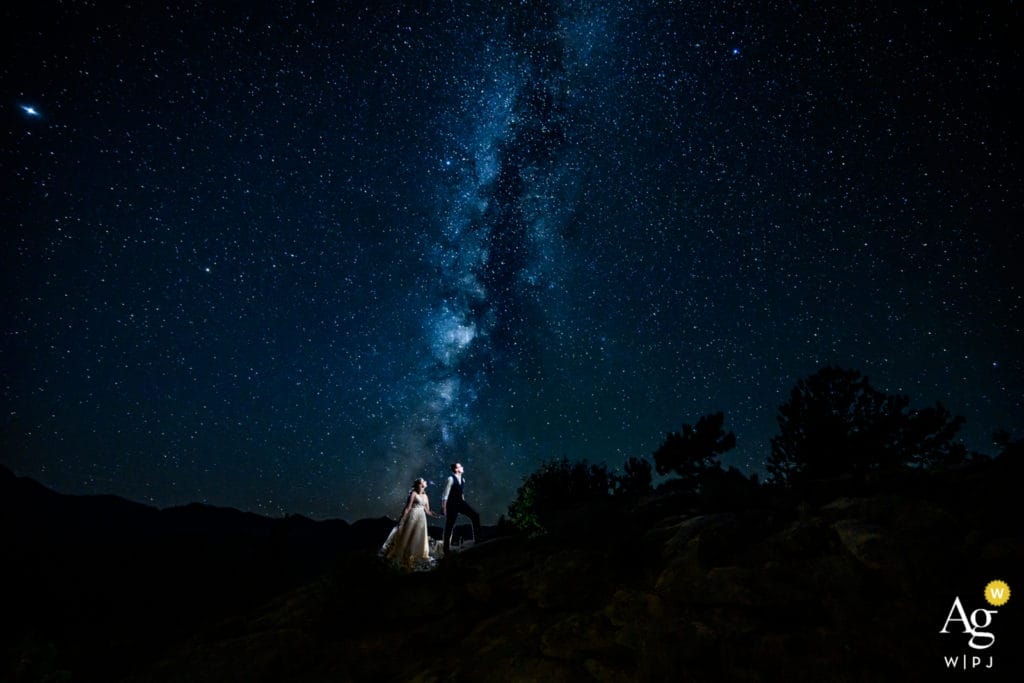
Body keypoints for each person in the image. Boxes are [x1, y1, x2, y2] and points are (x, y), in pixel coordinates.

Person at [381, 478, 440, 569]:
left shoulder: (425, 496)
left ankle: (415, 555)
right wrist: (402, 519)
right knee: (408, 535)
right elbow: (408, 508)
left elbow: (427, 511)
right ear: (420, 484)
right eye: (424, 481)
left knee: (418, 536)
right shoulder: (413, 494)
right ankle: (403, 556)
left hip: (422, 518)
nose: (426, 482)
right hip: (413, 516)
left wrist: (435, 515)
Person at [441, 462, 481, 554]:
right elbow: (445, 494)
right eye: (460, 466)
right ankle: (446, 549)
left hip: (460, 502)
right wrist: (444, 507)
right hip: (451, 504)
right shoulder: (450, 479)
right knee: (449, 525)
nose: (462, 467)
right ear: (456, 469)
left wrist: (464, 502)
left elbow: (461, 492)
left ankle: (478, 539)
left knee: (475, 515)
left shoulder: (463, 480)